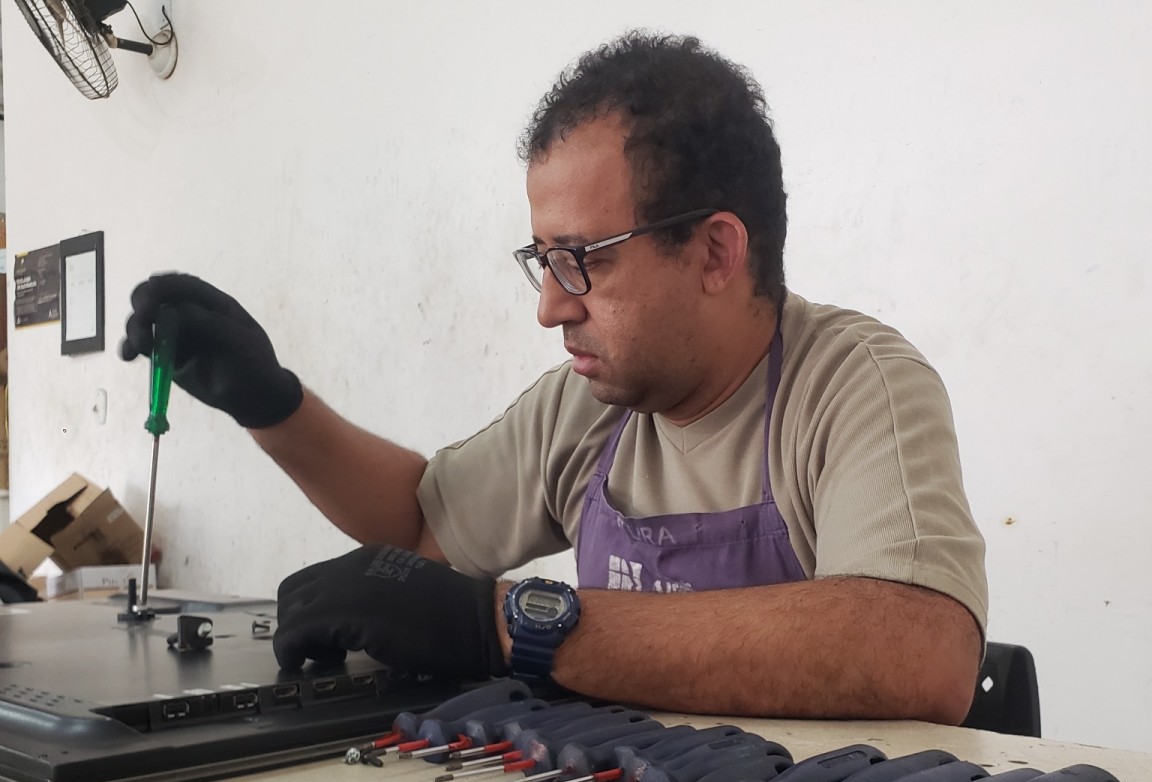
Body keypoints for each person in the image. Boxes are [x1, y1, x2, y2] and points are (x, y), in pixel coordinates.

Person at [120, 32, 986, 724]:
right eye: (543, 260)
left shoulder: (852, 386)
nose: (550, 308)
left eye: (582, 260)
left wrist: (512, 625)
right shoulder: (588, 409)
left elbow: (919, 650)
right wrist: (273, 405)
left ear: (715, 252)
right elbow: (421, 527)